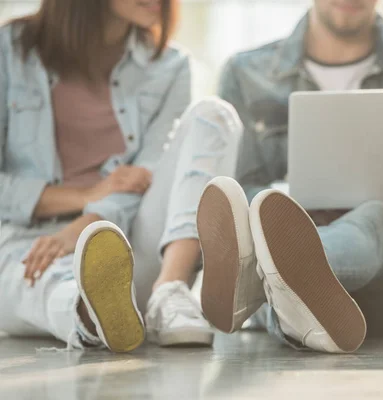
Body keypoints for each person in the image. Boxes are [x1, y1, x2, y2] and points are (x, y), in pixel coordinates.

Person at [197, 0, 383, 353]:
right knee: (272, 218)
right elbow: (240, 193)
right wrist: (293, 207)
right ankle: (290, 291)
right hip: (324, 261)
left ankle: (267, 282)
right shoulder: (245, 73)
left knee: (376, 214)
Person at [0, 0, 242, 351]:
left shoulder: (169, 66)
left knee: (215, 115)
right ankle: (88, 313)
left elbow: (147, 174)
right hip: (27, 244)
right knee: (33, 282)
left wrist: (89, 222)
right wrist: (85, 197)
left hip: (130, 242)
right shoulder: (11, 49)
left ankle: (169, 292)